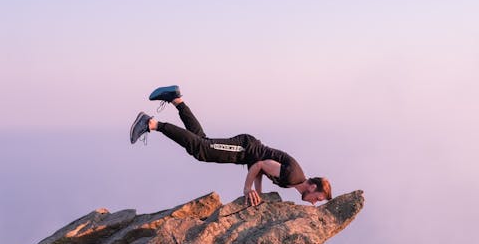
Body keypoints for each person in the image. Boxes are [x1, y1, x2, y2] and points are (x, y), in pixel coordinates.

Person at [129, 87, 332, 207]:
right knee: (202, 149)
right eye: (318, 198)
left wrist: (258, 195)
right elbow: (260, 164)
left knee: (201, 141)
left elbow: (264, 168)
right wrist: (247, 189)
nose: (315, 202)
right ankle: (152, 124)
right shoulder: (293, 177)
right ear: (313, 187)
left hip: (247, 152)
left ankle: (176, 99)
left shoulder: (292, 181)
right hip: (245, 149)